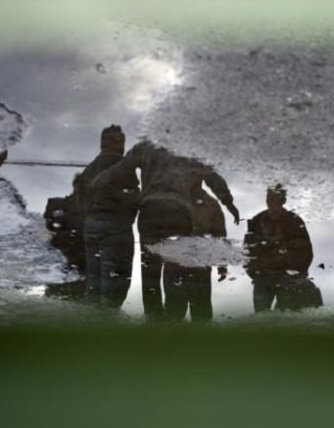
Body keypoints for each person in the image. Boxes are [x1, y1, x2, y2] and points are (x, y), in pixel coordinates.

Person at [92, 140, 240, 319]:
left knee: (150, 272)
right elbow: (212, 177)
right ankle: (175, 314)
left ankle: (154, 318)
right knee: (178, 268)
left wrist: (98, 180)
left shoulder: (146, 146)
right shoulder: (186, 147)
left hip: (151, 211)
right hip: (179, 212)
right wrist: (229, 203)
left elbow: (121, 169)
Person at [75, 125, 140, 308]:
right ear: (115, 142)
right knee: (115, 283)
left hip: (91, 226)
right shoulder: (121, 165)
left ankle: (91, 321)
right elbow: (132, 195)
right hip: (115, 224)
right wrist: (130, 216)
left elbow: (79, 200)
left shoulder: (89, 169)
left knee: (94, 281)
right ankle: (107, 321)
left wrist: (88, 217)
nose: (123, 145)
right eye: (120, 141)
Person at [162, 168, 228, 322]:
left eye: (195, 173)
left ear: (202, 176)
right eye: (188, 172)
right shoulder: (171, 200)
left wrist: (222, 264)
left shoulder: (212, 204)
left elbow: (219, 235)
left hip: (200, 268)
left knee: (201, 315)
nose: (190, 176)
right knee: (173, 314)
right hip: (175, 266)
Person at [244, 184, 322, 312]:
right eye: (269, 198)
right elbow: (247, 249)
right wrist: (255, 273)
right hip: (263, 275)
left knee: (285, 313)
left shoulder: (294, 221)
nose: (272, 202)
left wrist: (299, 273)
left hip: (287, 276)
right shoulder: (257, 221)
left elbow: (305, 250)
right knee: (260, 316)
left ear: (283, 201)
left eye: (276, 199)